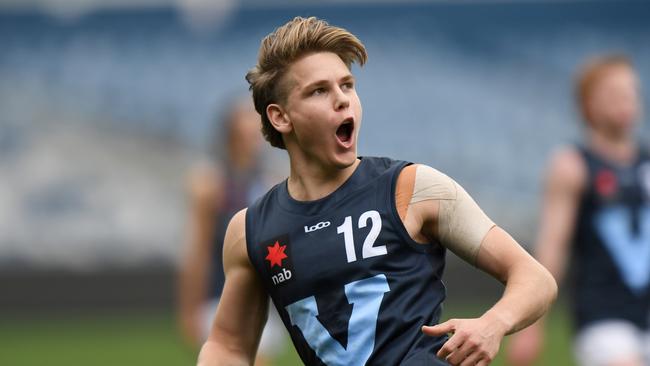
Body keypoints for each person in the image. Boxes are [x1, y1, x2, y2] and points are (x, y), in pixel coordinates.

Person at [197, 16, 557, 366]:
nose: (343, 100)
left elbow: (535, 279)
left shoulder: (413, 189)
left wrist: (492, 325)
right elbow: (227, 345)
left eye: (347, 85)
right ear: (280, 117)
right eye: (319, 90)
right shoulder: (250, 231)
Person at [507, 55, 649, 366]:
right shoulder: (572, 165)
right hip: (605, 317)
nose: (626, 102)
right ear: (587, 104)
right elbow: (553, 248)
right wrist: (531, 324)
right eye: (614, 94)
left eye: (631, 93)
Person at [177, 98, 286, 365]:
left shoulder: (269, 183)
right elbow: (198, 249)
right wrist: (189, 308)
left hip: (262, 303)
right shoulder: (210, 183)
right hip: (220, 298)